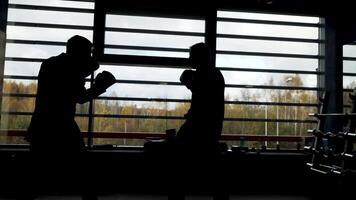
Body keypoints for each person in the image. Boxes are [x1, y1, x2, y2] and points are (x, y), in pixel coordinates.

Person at [24, 35, 115, 199]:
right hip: (62, 123)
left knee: (35, 168)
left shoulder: (50, 63)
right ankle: (90, 196)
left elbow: (89, 67)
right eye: (88, 52)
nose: (89, 56)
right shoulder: (72, 69)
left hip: (42, 122)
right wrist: (100, 86)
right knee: (82, 165)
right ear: (79, 52)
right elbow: (80, 97)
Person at [175, 42, 225, 152]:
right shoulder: (214, 74)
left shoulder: (203, 76)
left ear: (199, 57)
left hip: (202, 131)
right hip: (211, 130)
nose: (189, 58)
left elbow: (203, 105)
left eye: (191, 56)